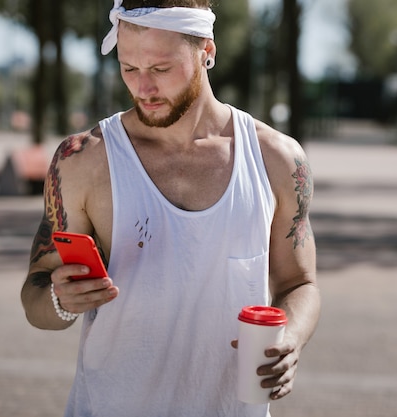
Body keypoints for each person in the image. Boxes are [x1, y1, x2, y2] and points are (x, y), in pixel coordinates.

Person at [20, 0, 320, 415]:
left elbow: (300, 283)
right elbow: (35, 293)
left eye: (161, 69)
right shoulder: (84, 160)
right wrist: (59, 298)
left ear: (207, 52)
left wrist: (290, 336)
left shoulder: (277, 159)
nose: (143, 87)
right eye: (128, 68)